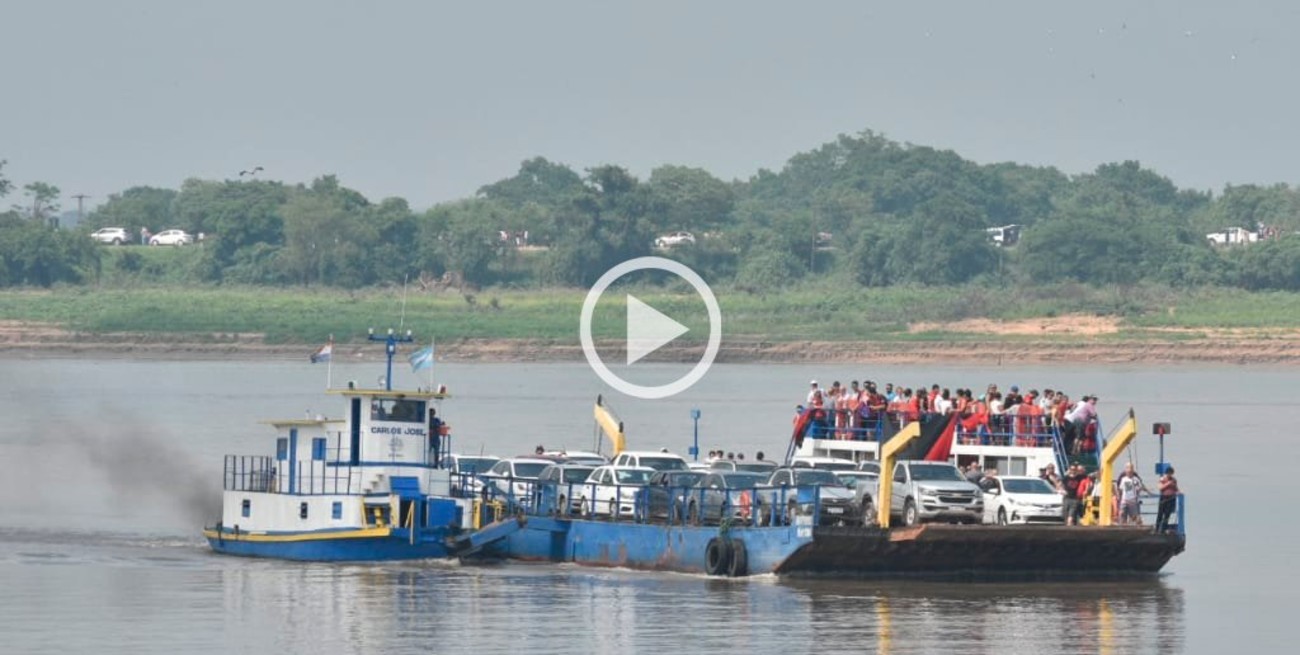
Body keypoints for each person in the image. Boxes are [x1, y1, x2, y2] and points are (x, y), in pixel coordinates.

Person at [1156, 466, 1180, 532]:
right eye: (1169, 473)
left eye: (1171, 473)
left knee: (1167, 515)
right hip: (1164, 498)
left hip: (1171, 498)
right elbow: (1160, 487)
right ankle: (1157, 529)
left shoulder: (1174, 480)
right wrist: (1168, 483)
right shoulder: (1162, 479)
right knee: (1160, 514)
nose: (1170, 475)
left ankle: (1163, 529)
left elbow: (1176, 488)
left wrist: (1179, 492)